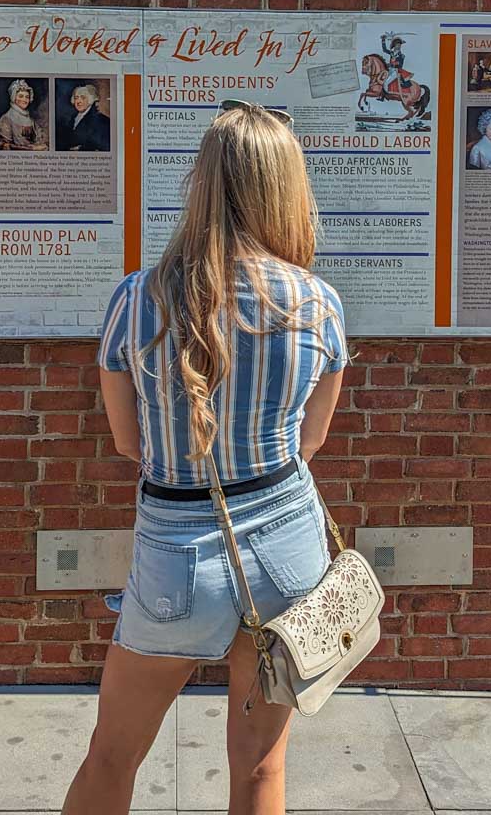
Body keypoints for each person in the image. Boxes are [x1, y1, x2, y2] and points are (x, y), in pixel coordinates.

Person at [61, 100, 349, 815]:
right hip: (290, 547)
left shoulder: (136, 299)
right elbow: (310, 443)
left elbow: (131, 445)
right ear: (286, 188)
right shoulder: (318, 302)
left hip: (175, 557)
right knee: (260, 771)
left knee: (112, 757)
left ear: (202, 182)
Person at [0, 79, 49, 151]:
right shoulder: (7, 118)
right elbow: (6, 146)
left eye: (27, 97)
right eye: (20, 96)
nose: (24, 100)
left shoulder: (30, 120)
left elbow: (39, 137)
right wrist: (31, 148)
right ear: (14, 97)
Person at [58, 82, 111, 152]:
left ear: (91, 100)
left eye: (83, 98)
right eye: (76, 98)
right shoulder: (72, 118)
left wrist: (81, 149)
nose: (78, 101)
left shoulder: (101, 120)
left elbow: (103, 148)